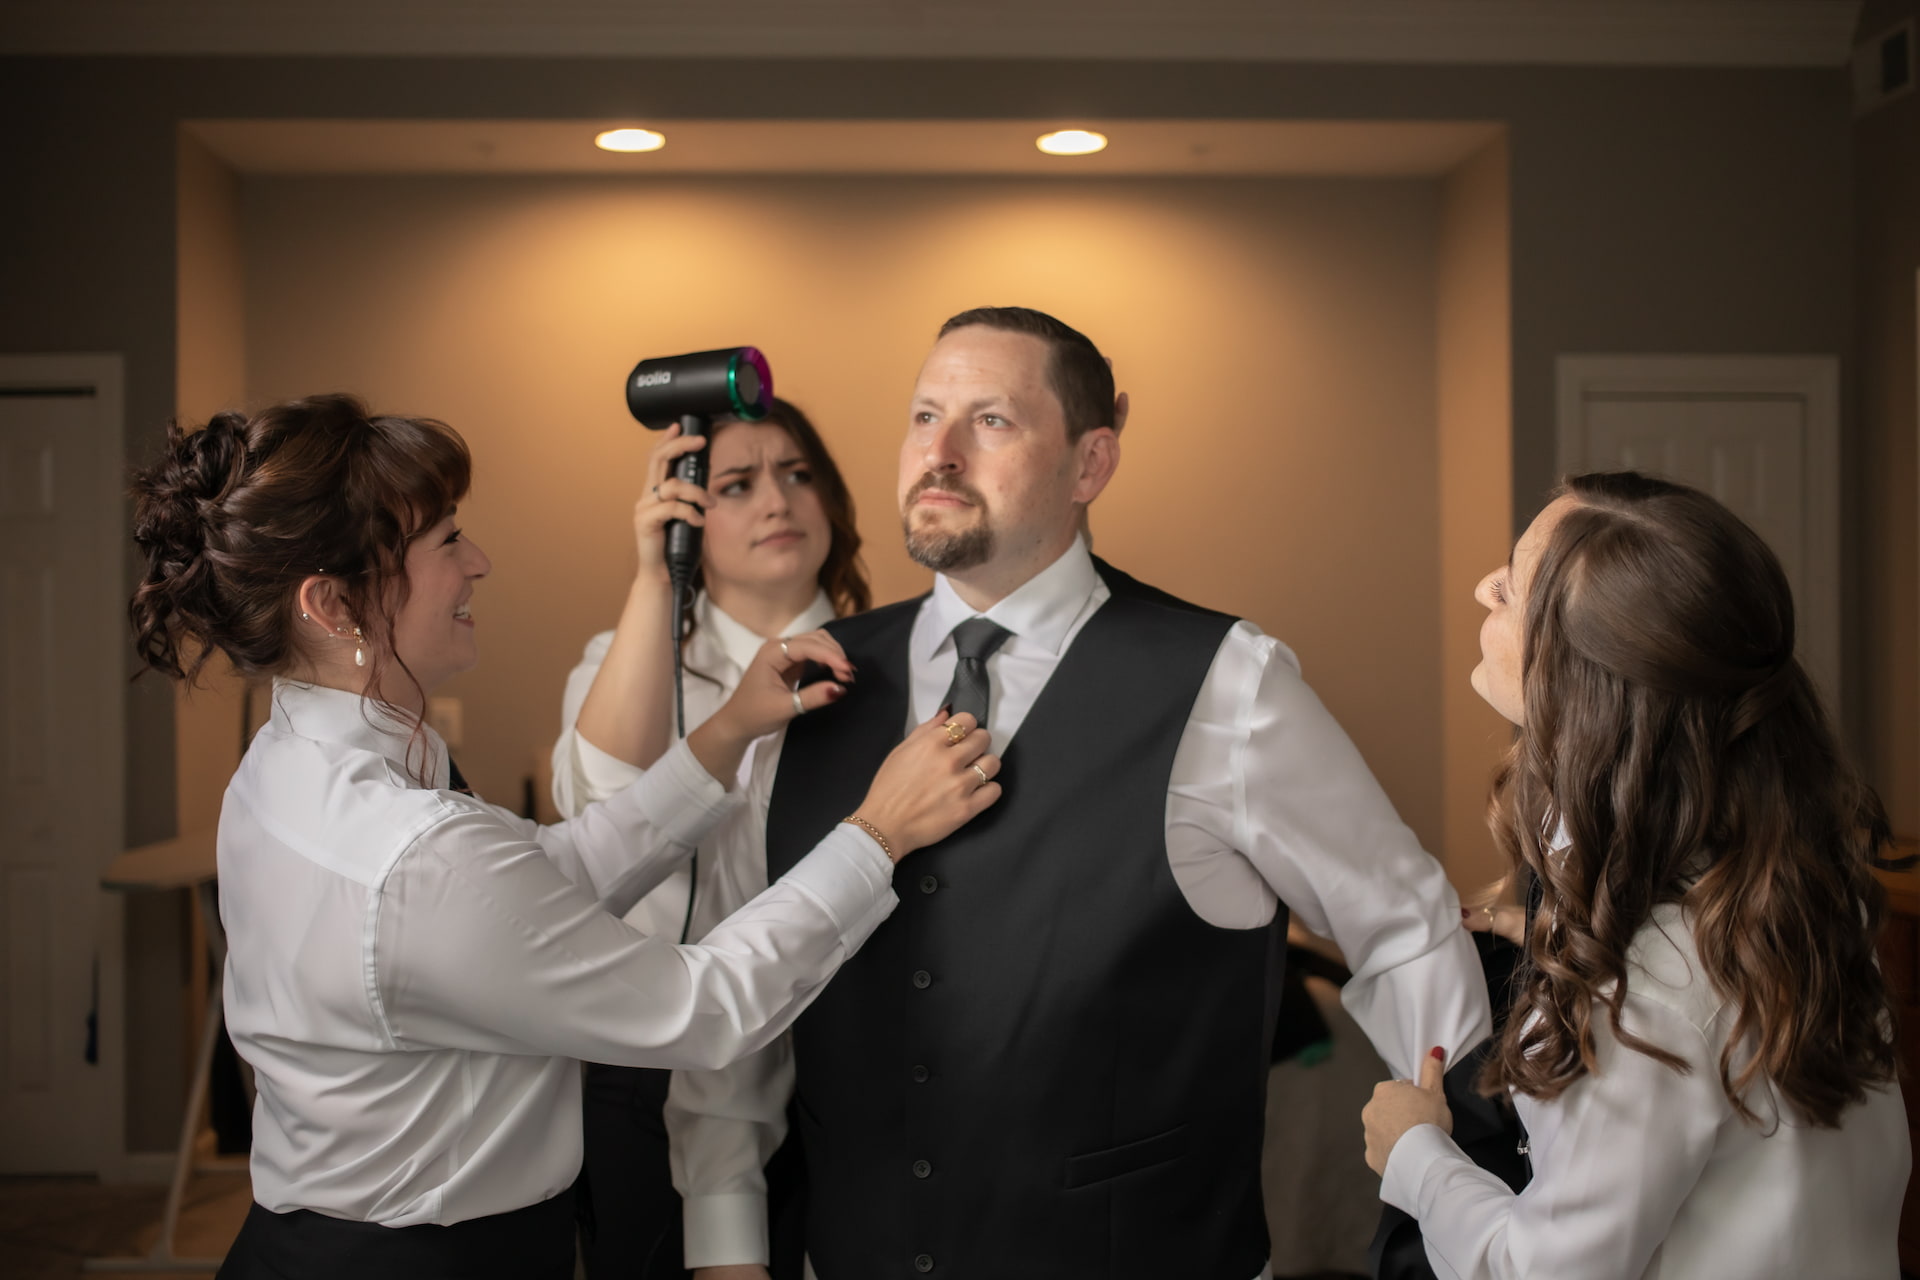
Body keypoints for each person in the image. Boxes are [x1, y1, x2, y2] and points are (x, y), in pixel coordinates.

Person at [668, 307, 1491, 1280]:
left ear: (1090, 463)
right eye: (924, 415)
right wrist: (724, 1248)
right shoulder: (810, 685)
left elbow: (1404, 929)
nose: (939, 451)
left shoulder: (1227, 681)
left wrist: (1463, 1180)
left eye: (992, 421)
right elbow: (742, 995)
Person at [125, 394, 1003, 1280]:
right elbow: (704, 1008)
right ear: (332, 604)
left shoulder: (286, 762)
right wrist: (878, 832)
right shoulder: (410, 854)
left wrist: (724, 734)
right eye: (444, 542)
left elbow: (547, 877)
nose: (479, 562)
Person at [1361, 471, 1911, 1279]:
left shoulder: (1649, 994)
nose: (1485, 586)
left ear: (1579, 684)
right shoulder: (1795, 891)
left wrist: (1415, 1152)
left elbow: (1543, 1271)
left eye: (1511, 588)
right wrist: (1545, 926)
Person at [552, 398, 869, 1279]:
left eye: (797, 474)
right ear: (689, 513)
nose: (777, 500)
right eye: (736, 484)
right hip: (654, 1078)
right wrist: (657, 578)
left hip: (854, 1069)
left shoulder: (899, 664)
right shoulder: (628, 660)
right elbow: (606, 801)